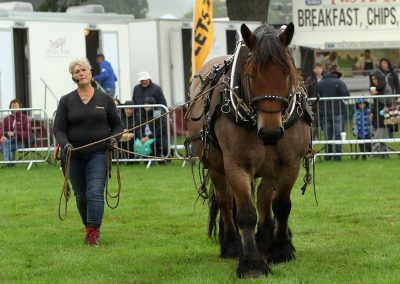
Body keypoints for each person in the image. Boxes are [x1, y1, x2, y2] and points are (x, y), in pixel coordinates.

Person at [54, 58, 124, 246]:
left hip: (98, 153)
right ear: (73, 77)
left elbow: (118, 126)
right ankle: (89, 226)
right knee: (81, 194)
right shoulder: (66, 100)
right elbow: (58, 129)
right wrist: (65, 144)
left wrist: (113, 139)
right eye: (76, 71)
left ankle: (93, 233)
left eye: (84, 69)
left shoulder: (105, 99)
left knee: (94, 192)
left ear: (91, 73)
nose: (81, 73)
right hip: (73, 155)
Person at [316, 63, 350, 160]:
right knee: (338, 133)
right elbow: (346, 97)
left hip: (324, 112)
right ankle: (337, 155)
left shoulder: (320, 83)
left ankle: (328, 154)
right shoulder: (339, 82)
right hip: (337, 111)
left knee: (327, 134)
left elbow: (316, 95)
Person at [1, 99, 32, 167]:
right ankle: (9, 163)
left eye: (16, 106)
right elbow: (1, 130)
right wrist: (4, 135)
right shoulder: (6, 119)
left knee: (4, 145)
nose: (14, 108)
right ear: (10, 108)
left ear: (19, 107)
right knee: (5, 143)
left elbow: (28, 132)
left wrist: (15, 133)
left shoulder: (24, 118)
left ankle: (7, 163)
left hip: (21, 143)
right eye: (13, 106)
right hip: (8, 141)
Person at [136, 96, 169, 161]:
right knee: (136, 142)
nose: (146, 105)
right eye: (145, 103)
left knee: (152, 144)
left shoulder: (157, 113)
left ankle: (158, 160)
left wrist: (149, 137)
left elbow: (160, 128)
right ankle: (142, 160)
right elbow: (139, 128)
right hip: (145, 137)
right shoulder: (142, 114)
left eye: (148, 104)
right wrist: (142, 137)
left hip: (157, 137)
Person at [305, 63, 324, 140]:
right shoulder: (310, 79)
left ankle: (319, 137)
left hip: (324, 104)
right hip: (314, 104)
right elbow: (307, 92)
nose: (319, 70)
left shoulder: (325, 78)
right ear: (313, 70)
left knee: (322, 122)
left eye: (320, 68)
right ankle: (314, 137)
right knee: (314, 123)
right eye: (317, 68)